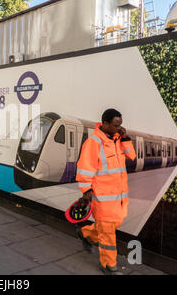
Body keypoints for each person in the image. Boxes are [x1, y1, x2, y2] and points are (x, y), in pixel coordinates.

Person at [75, 108, 136, 275]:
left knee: (114, 224)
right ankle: (108, 265)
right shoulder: (93, 142)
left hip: (120, 197)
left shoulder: (118, 139)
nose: (119, 128)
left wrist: (125, 138)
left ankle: (86, 232)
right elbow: (84, 168)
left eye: (120, 125)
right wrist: (86, 190)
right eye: (116, 125)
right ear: (105, 124)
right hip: (102, 198)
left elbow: (132, 156)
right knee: (108, 232)